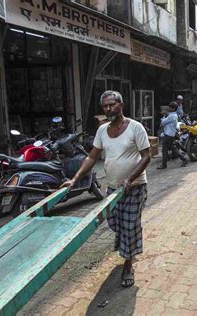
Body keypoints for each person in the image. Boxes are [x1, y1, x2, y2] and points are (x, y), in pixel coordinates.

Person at [61, 90, 150, 288]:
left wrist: (130, 178)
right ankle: (127, 245)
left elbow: (146, 156)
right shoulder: (102, 131)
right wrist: (75, 179)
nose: (109, 109)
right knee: (114, 222)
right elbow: (92, 157)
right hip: (112, 188)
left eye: (112, 104)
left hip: (134, 187)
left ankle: (128, 265)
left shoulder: (136, 128)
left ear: (121, 104)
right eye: (105, 106)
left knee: (129, 226)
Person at [157, 102, 189, 169]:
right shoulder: (172, 115)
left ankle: (164, 164)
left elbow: (163, 122)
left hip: (168, 135)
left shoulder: (171, 116)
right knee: (171, 149)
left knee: (166, 150)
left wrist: (163, 116)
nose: (169, 108)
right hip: (170, 134)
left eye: (170, 107)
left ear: (173, 108)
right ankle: (183, 160)